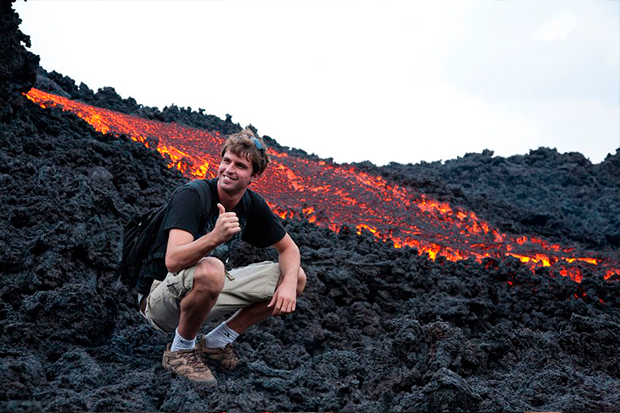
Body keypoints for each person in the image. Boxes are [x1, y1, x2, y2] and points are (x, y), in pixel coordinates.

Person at [134, 128, 306, 385]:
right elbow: (173, 260)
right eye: (226, 161)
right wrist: (215, 237)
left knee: (296, 276)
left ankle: (216, 343)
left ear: (254, 176)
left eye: (240, 166)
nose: (229, 169)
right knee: (213, 268)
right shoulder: (193, 196)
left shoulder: (251, 205)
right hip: (158, 300)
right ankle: (180, 350)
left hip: (202, 292)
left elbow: (289, 249)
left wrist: (289, 285)